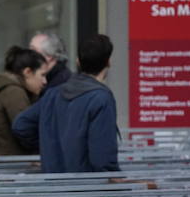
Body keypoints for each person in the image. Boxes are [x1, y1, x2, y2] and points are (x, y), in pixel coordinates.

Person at [12, 34, 119, 173]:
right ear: (109, 62)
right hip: (89, 187)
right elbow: (103, 158)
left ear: (78, 61)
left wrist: (49, 150)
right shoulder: (101, 99)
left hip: (52, 184)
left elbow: (21, 124)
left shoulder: (53, 94)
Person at [0, 46, 47, 158]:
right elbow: (25, 130)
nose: (45, 81)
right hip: (15, 163)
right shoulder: (14, 93)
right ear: (28, 72)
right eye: (42, 75)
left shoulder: (11, 90)